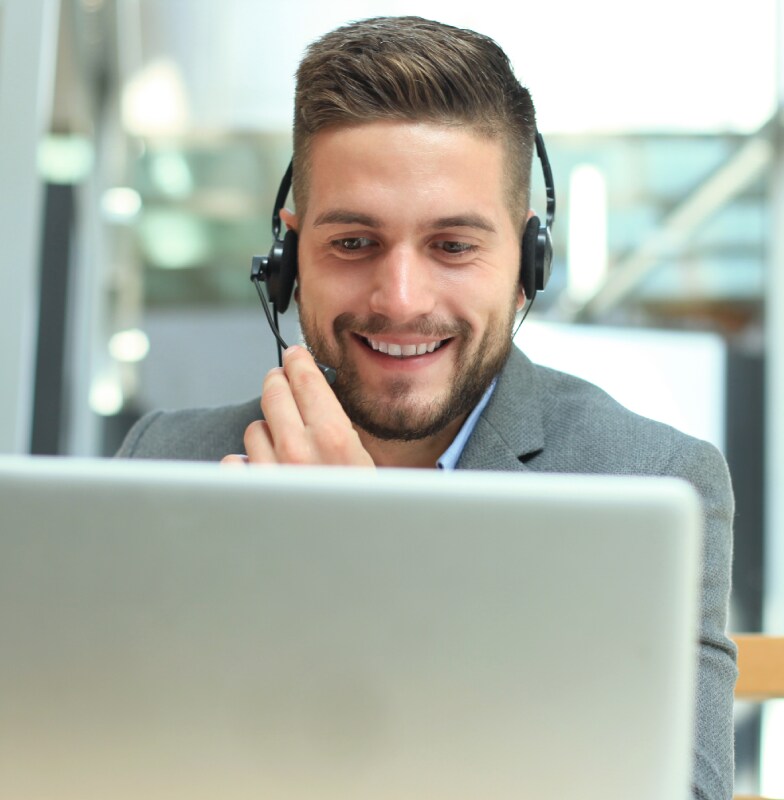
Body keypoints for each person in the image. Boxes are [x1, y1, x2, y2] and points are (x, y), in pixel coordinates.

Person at [116, 16, 736, 799]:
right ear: (286, 261)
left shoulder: (653, 484)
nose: (400, 300)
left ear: (527, 265)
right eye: (353, 243)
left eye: (452, 246)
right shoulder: (166, 462)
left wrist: (365, 573)